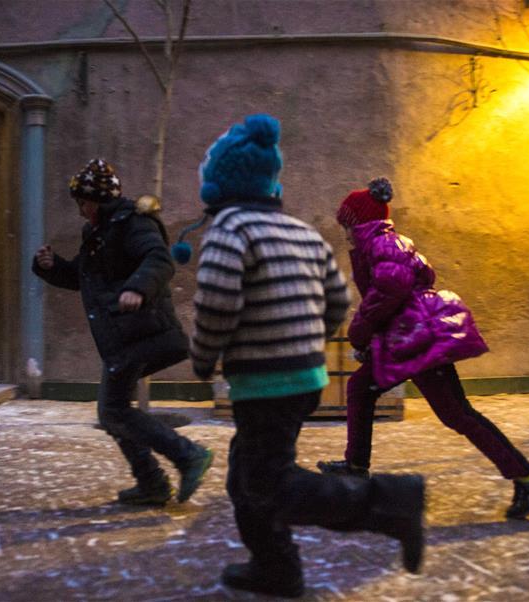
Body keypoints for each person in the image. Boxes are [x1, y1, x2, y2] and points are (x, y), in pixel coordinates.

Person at [176, 115, 426, 598]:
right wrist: (301, 338)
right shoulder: (300, 233)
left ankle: (391, 501)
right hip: (303, 379)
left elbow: (215, 305)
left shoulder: (229, 231)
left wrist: (204, 359)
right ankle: (276, 568)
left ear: (218, 185)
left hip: (264, 383)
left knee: (268, 483)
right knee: (247, 475)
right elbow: (336, 300)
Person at [317, 177, 529, 520]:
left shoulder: (383, 244)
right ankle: (355, 466)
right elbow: (389, 297)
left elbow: (390, 290)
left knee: (456, 413)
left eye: (347, 226)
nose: (345, 234)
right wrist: (372, 340)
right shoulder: (379, 245)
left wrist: (360, 329)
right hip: (408, 337)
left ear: (361, 223)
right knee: (361, 388)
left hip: (420, 338)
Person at [33, 158, 213, 507]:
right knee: (113, 411)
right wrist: (52, 268)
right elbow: (85, 280)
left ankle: (186, 456)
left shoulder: (133, 222)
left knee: (114, 411)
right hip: (124, 336)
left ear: (97, 200)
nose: (81, 211)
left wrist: (138, 289)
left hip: (143, 333)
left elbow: (159, 259)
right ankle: (153, 483)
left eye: (83, 203)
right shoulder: (100, 231)